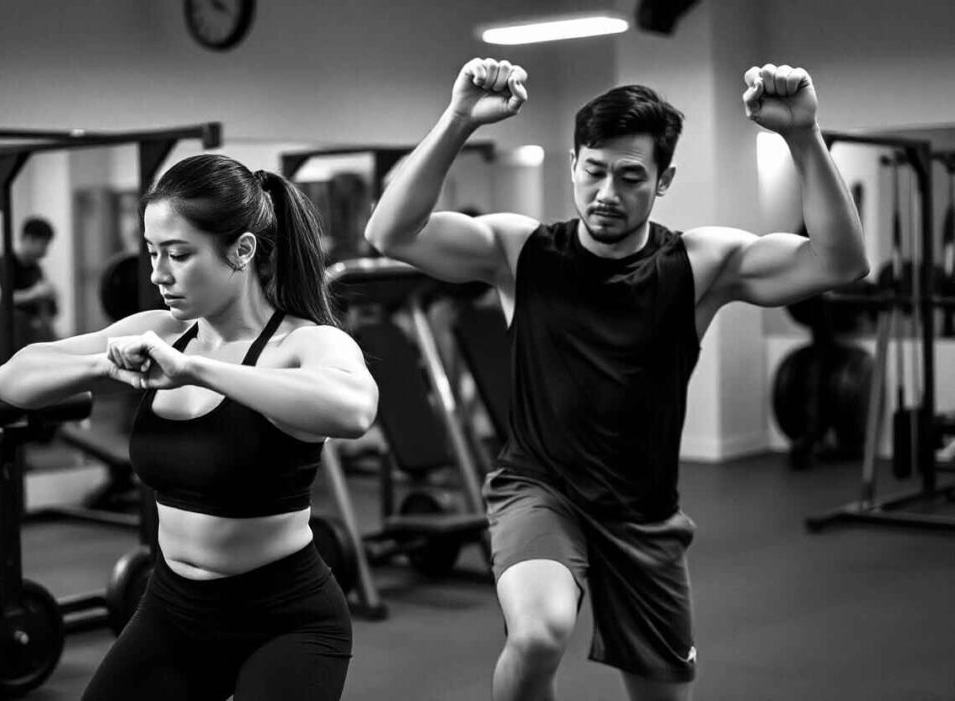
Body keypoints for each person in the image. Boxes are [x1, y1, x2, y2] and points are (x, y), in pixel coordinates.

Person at [364, 58, 867, 701]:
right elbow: (391, 232)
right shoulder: (523, 253)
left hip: (643, 515)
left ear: (663, 181)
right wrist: (460, 118)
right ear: (573, 162)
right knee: (539, 634)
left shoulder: (700, 264)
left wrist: (803, 136)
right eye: (593, 170)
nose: (607, 193)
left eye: (631, 177)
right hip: (540, 491)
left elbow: (840, 262)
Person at [0, 154, 379, 701]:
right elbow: (11, 379)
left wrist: (197, 369)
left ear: (242, 250)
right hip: (172, 609)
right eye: (152, 252)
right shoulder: (160, 329)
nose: (157, 273)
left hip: (287, 620)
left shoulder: (303, 342)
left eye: (178, 254)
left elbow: (354, 410)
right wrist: (102, 367)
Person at [0, 215, 58, 318]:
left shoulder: (35, 269)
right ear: (29, 239)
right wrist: (34, 294)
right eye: (44, 244)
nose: (45, 251)